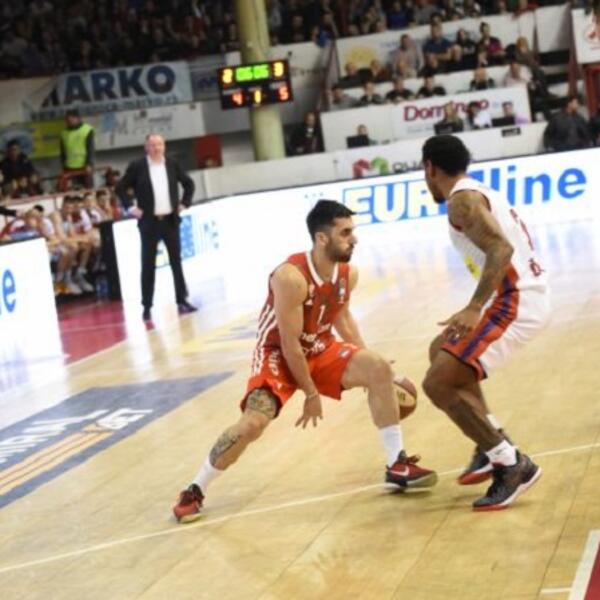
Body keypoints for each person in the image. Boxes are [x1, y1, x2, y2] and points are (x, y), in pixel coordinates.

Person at [172, 200, 437, 522]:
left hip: (320, 347)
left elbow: (341, 317)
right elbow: (290, 343)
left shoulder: (347, 274)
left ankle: (397, 464)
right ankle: (195, 488)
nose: (354, 239)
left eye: (352, 231)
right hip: (278, 353)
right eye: (345, 233)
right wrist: (311, 393)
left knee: (379, 366)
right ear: (321, 238)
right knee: (253, 424)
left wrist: (370, 365)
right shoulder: (290, 277)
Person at [420, 135, 549, 511]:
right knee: (440, 351)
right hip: (512, 296)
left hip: (516, 300)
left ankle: (511, 464)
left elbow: (500, 249)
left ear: (430, 168)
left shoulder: (461, 200)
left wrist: (475, 306)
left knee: (438, 383)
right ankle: (490, 439)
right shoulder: (475, 191)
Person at [115, 133, 197, 321]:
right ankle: (147, 305)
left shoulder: (172, 164)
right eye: (152, 145)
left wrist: (184, 203)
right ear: (146, 147)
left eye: (159, 144)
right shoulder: (138, 166)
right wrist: (130, 208)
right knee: (148, 264)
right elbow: (120, 188)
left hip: (170, 220)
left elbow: (188, 184)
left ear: (164, 146)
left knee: (176, 262)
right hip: (149, 222)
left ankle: (182, 300)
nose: (156, 148)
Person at [60, 109, 95, 189]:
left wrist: (89, 164)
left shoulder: (87, 130)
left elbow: (90, 148)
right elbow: (63, 152)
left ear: (78, 118)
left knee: (88, 190)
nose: (69, 121)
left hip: (84, 167)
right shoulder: (63, 133)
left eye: (71, 119)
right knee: (70, 190)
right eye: (67, 120)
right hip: (69, 168)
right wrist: (63, 167)